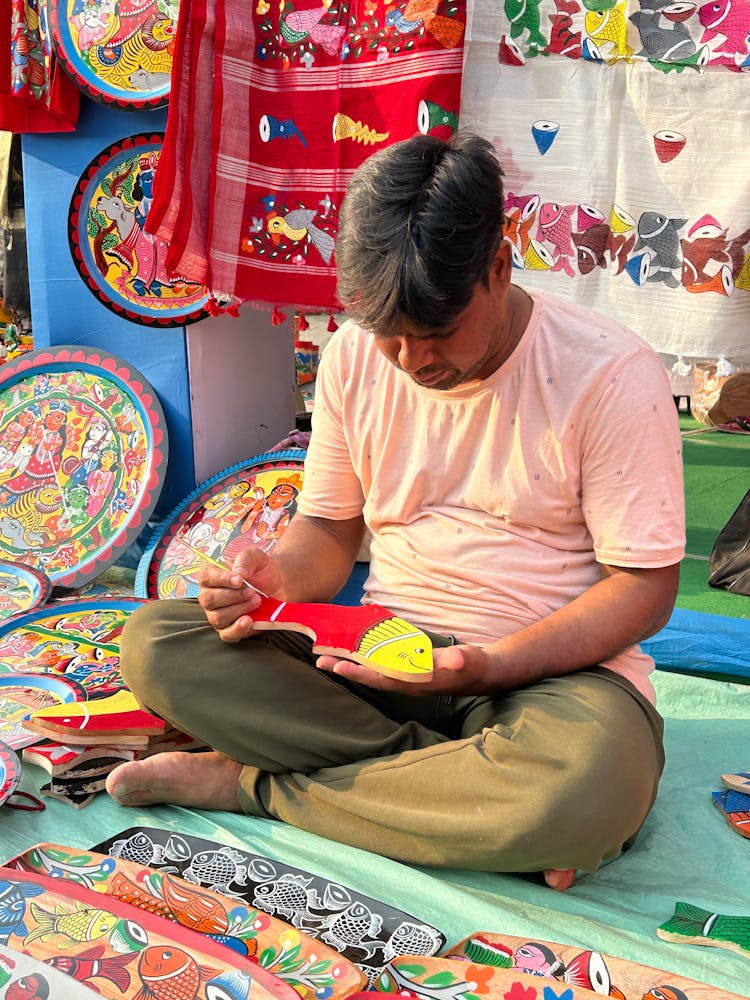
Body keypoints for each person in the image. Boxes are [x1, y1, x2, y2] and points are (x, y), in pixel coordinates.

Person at [106, 133, 685, 891]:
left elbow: (644, 588)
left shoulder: (609, 372)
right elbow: (329, 534)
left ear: (499, 268)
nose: (412, 361)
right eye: (390, 337)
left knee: (580, 784)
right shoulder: (351, 357)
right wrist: (269, 581)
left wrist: (493, 664)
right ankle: (465, 803)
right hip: (378, 653)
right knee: (158, 644)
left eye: (436, 333)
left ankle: (251, 786)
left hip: (552, 676)